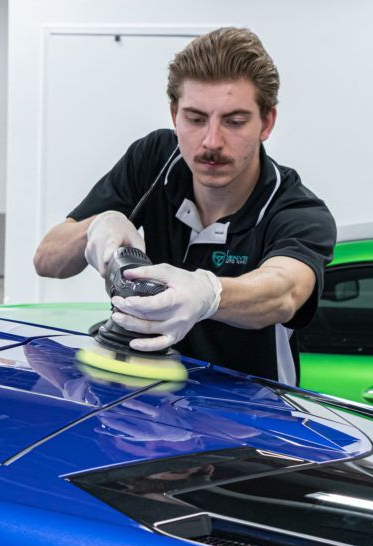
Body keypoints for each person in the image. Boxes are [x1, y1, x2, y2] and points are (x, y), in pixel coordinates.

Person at [33, 27, 336, 384]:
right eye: (194, 119)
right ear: (174, 113)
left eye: (234, 122)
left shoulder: (295, 209)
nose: (211, 141)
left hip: (250, 418)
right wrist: (95, 228)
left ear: (266, 122)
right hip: (144, 406)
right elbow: (47, 260)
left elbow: (283, 291)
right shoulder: (154, 161)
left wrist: (210, 294)